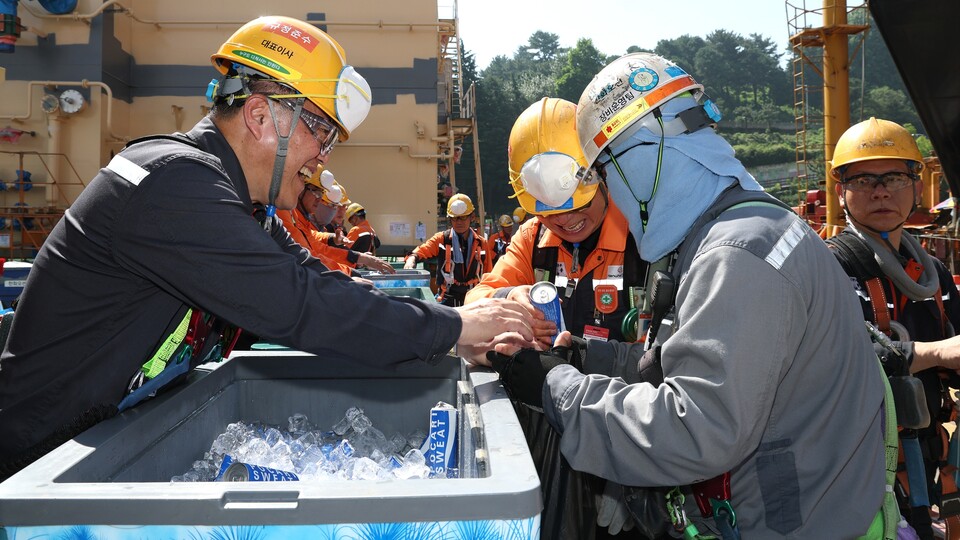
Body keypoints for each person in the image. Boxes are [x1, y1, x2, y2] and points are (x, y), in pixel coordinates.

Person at [0, 15, 535, 480]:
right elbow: (300, 302)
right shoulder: (172, 183)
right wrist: (455, 326)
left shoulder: (239, 204)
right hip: (35, 465)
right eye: (320, 133)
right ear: (259, 116)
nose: (322, 159)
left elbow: (321, 282)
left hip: (105, 446)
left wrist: (447, 335)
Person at [484, 52, 888, 537]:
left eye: (607, 176)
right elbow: (694, 363)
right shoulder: (749, 228)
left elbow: (696, 429)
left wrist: (556, 389)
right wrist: (595, 357)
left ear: (640, 160)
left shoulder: (736, 254)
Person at [466, 97, 649, 540]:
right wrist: (515, 296)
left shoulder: (647, 241)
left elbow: (671, 365)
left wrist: (635, 475)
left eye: (577, 204)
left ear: (601, 174)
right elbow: (476, 305)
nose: (566, 220)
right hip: (551, 426)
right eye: (550, 209)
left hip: (628, 431)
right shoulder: (534, 240)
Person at [826, 117, 960, 539]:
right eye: (863, 179)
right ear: (840, 191)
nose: (881, 190)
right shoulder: (828, 267)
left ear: (917, 187)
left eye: (896, 177)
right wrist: (936, 353)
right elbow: (836, 361)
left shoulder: (932, 271)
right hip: (862, 461)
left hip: (928, 455)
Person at [277, 168, 393, 275]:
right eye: (316, 192)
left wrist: (332, 239)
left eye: (321, 194)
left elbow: (310, 240)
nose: (318, 199)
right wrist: (350, 268)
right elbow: (308, 253)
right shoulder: (284, 212)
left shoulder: (296, 216)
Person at [404, 193, 491, 307]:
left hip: (473, 299)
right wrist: (412, 258)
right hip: (447, 299)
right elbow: (421, 251)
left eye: (463, 217)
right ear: (450, 219)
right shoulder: (442, 239)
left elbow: (489, 274)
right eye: (454, 218)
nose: (459, 222)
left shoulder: (481, 243)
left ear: (472, 217)